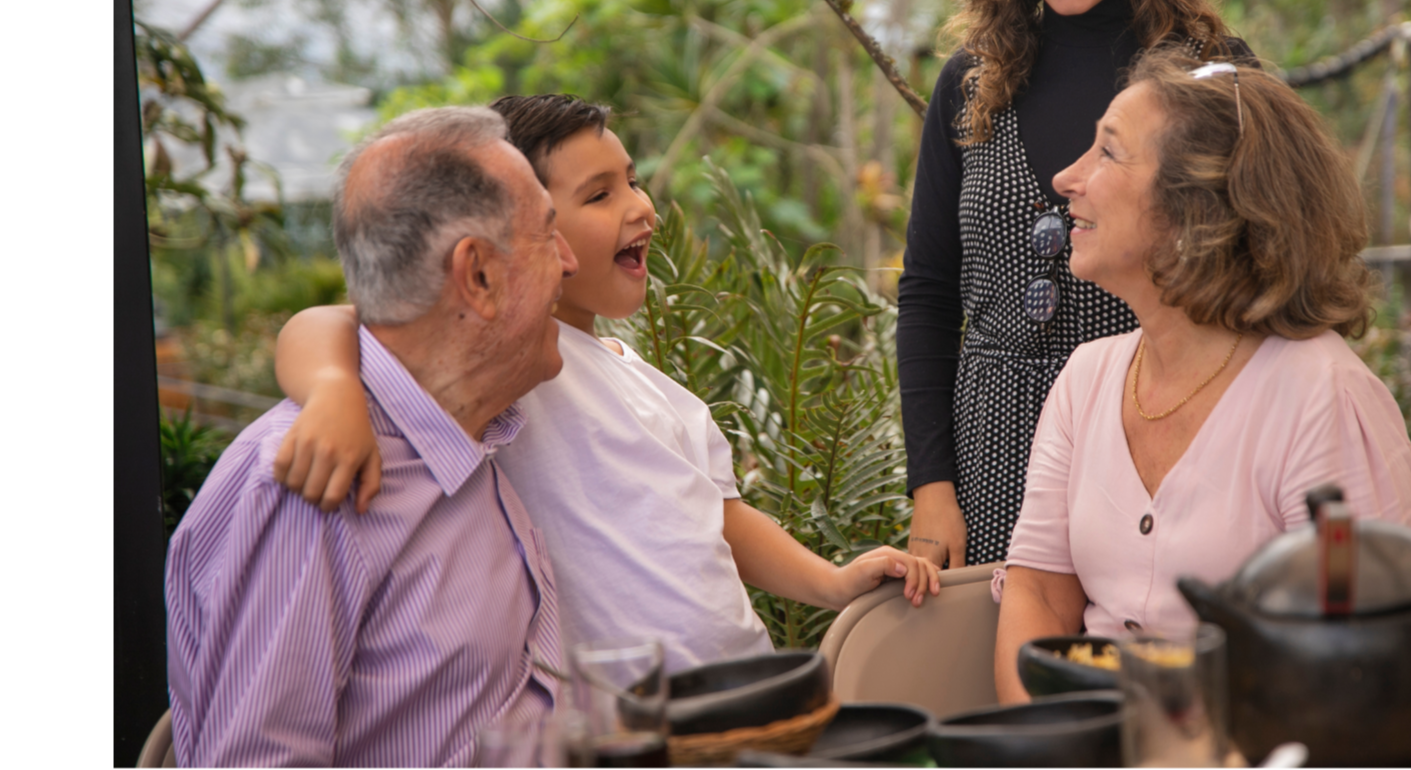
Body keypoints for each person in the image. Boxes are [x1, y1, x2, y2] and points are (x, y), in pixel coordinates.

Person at [268, 95, 941, 674]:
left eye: (633, 181)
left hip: (743, 691)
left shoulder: (644, 381)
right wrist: (331, 389)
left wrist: (829, 582)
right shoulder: (513, 366)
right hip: (624, 722)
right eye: (599, 194)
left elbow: (722, 520)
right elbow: (331, 320)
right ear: (523, 221)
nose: (642, 208)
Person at [991, 47, 1411, 703]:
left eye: (1107, 153)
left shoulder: (1320, 397)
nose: (1065, 178)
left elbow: (1363, 654)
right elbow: (1038, 594)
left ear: (1195, 208)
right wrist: (1044, 739)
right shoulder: (1086, 379)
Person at [900, 0, 1256, 571]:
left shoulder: (1213, 81)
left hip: (1163, 446)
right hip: (993, 459)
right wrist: (932, 488)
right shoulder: (970, 82)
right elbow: (927, 289)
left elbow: (1266, 279)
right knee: (1011, 684)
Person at [165, 108, 578, 765]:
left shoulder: (466, 431)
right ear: (477, 276)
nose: (570, 263)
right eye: (548, 235)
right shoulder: (305, 483)